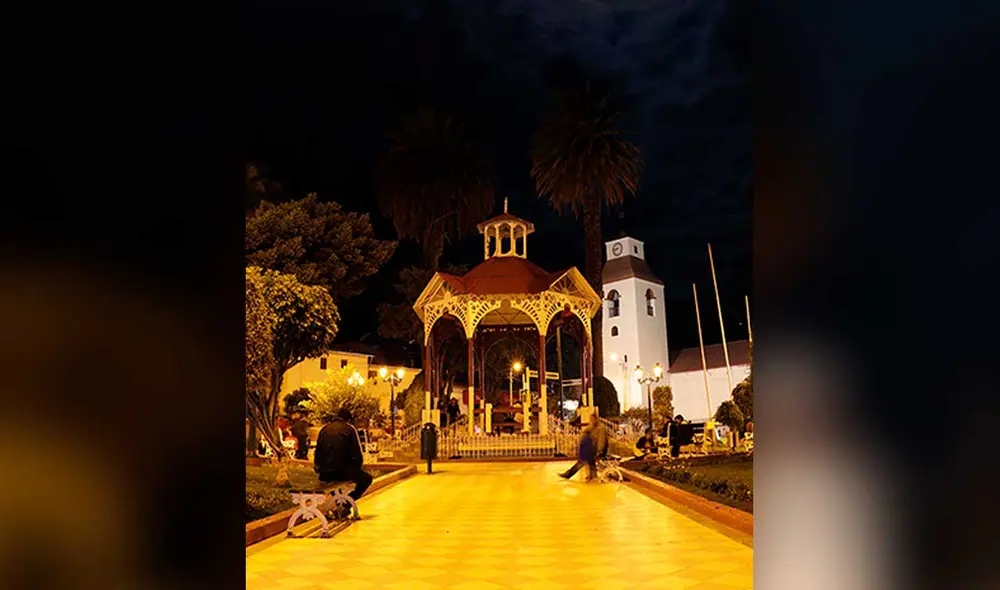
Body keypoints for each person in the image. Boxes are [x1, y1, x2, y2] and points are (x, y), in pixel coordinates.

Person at [314, 408, 373, 516]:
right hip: (343, 472)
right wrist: (356, 469)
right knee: (367, 479)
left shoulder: (324, 429)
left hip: (325, 473)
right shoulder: (349, 429)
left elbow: (317, 453)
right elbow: (357, 454)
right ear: (348, 419)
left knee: (332, 481)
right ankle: (346, 504)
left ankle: (340, 505)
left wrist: (319, 468)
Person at [559, 414, 606, 480]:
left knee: (582, 462)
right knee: (589, 462)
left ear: (596, 419)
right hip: (591, 449)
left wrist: (599, 451)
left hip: (595, 450)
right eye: (590, 419)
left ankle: (568, 474)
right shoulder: (593, 427)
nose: (591, 421)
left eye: (592, 419)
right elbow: (585, 431)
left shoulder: (601, 428)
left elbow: (601, 441)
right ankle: (593, 475)